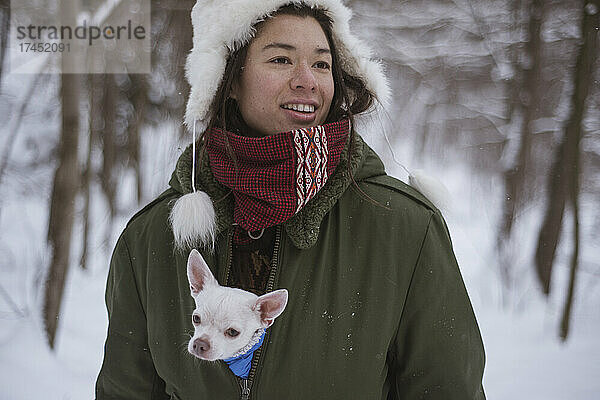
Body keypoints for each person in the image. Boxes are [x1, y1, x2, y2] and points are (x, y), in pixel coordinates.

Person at [95, 0, 486, 399]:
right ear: (228, 79)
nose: (307, 80)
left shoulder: (403, 227)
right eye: (281, 60)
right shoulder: (152, 238)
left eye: (321, 64)